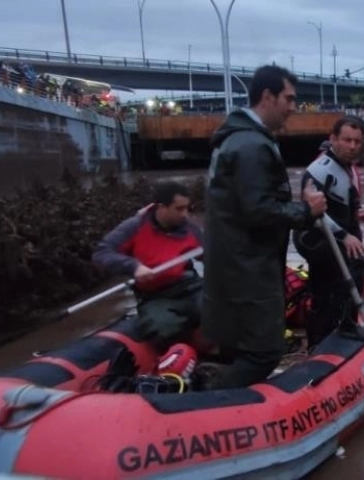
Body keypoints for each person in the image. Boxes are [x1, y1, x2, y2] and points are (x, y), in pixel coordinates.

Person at [201, 64, 327, 389]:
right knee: (265, 352)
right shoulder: (250, 146)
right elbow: (258, 210)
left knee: (237, 347)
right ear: (267, 96)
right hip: (249, 268)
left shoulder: (237, 140)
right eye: (289, 98)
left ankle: (222, 398)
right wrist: (306, 210)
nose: (293, 107)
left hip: (233, 263)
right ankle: (214, 404)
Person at [92, 180, 203, 353]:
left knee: (222, 309)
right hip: (154, 296)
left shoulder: (190, 229)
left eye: (187, 208)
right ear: (161, 207)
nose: (185, 214)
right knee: (164, 328)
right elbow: (102, 253)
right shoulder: (134, 227)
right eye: (179, 209)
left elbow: (211, 258)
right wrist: (133, 266)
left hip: (190, 287)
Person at [292, 115, 364, 349]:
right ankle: (326, 337)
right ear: (333, 139)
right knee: (337, 277)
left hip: (335, 232)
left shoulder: (351, 168)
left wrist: (355, 235)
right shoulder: (319, 170)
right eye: (347, 140)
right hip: (313, 236)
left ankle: (344, 323)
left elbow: (350, 210)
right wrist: (345, 237)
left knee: (354, 263)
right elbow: (313, 212)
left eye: (357, 141)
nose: (352, 146)